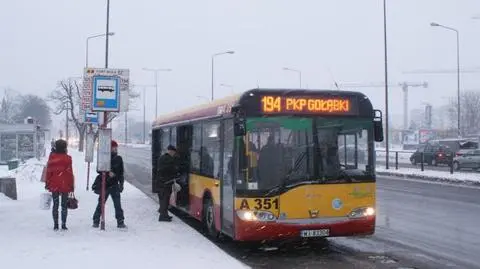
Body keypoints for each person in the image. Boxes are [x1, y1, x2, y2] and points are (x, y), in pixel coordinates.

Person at [92, 140, 127, 228]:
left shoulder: (119, 158)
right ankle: (96, 220)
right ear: (110, 148)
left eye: (116, 147)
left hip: (114, 184)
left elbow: (121, 172)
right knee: (101, 203)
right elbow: (98, 170)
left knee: (117, 204)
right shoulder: (104, 157)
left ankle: (120, 221)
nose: (115, 149)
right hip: (105, 184)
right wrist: (108, 173)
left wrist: (121, 184)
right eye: (114, 147)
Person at [45, 139, 74, 231]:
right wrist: (71, 185)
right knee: (64, 205)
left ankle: (56, 224)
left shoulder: (52, 158)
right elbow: (70, 173)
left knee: (55, 204)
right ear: (65, 148)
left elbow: (49, 171)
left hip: (54, 183)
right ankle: (64, 224)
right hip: (64, 184)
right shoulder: (68, 158)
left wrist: (47, 182)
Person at [156, 145, 178, 222]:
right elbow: (169, 169)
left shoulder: (162, 157)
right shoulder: (169, 159)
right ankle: (163, 216)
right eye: (173, 152)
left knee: (164, 199)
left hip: (162, 182)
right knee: (165, 199)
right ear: (171, 151)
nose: (174, 154)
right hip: (165, 183)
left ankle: (165, 214)